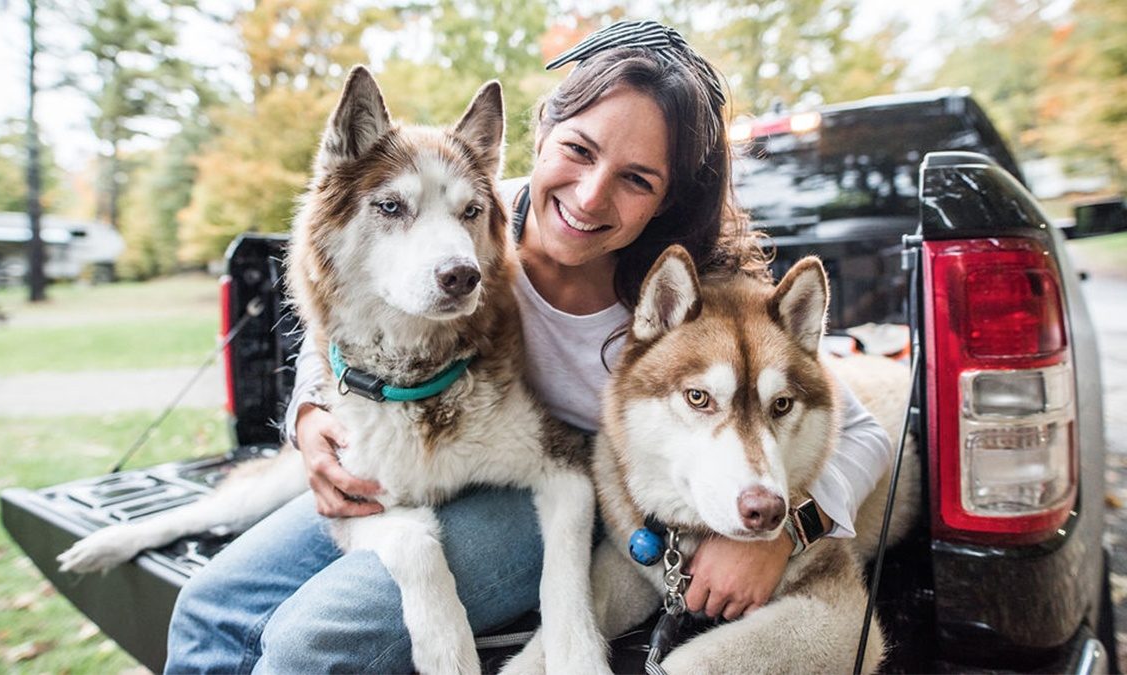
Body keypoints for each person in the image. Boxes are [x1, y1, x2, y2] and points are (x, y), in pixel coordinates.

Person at [165, 20, 893, 673]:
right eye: (578, 150)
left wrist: (781, 535)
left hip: (547, 492)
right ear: (543, 130)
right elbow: (351, 301)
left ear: (666, 199)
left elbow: (862, 434)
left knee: (306, 644)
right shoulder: (464, 213)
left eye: (636, 180)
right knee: (209, 606)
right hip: (418, 460)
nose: (590, 196)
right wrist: (309, 411)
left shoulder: (690, 300)